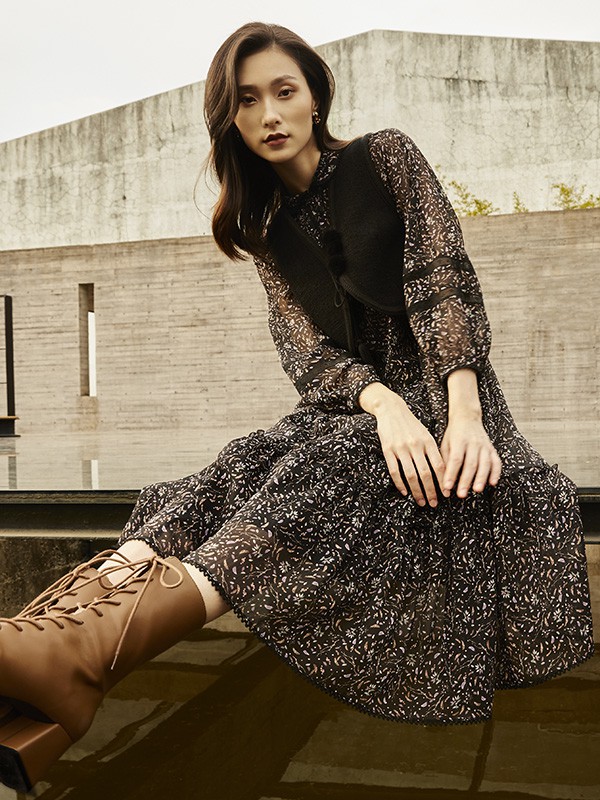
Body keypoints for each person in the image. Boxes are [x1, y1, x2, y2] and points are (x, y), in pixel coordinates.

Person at [0, 21, 594, 793]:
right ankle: (47, 639)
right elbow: (308, 355)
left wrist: (466, 419)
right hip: (357, 405)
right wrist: (380, 403)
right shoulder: (266, 227)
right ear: (232, 121)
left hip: (447, 400)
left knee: (317, 472)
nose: (270, 114)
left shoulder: (385, 157)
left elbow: (441, 281)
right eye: (248, 101)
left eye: (284, 91)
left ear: (316, 97)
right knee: (233, 467)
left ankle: (67, 667)